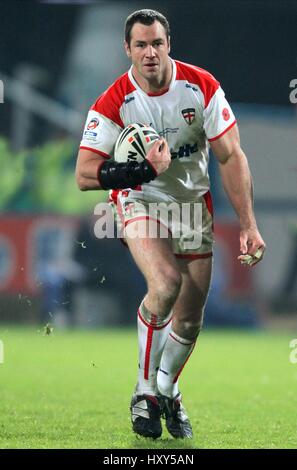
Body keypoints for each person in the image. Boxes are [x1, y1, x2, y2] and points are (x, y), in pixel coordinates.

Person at [75, 9, 266, 439]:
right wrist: (138, 172)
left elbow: (231, 156)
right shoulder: (113, 100)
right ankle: (144, 393)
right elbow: (85, 173)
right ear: (127, 49)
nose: (149, 53)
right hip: (140, 199)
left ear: (168, 45)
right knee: (164, 284)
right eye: (140, 45)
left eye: (156, 43)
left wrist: (249, 224)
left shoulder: (201, 86)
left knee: (190, 320)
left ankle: (167, 389)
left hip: (192, 204)